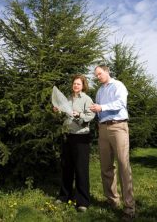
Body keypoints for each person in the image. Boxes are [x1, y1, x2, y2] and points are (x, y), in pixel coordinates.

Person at [90, 65, 135, 221]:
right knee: (106, 167)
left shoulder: (118, 85)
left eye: (100, 74)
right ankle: (112, 201)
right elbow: (97, 110)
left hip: (118, 127)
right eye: (96, 75)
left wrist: (101, 107)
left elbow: (121, 104)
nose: (98, 77)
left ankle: (129, 208)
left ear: (107, 71)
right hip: (103, 129)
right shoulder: (100, 91)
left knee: (123, 165)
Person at [53, 74, 95, 212]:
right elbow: (65, 115)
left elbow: (90, 116)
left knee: (81, 169)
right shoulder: (68, 98)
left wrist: (79, 115)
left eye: (78, 84)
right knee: (66, 167)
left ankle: (82, 202)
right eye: (74, 83)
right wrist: (58, 111)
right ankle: (64, 196)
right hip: (67, 136)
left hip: (81, 137)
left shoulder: (87, 99)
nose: (76, 85)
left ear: (83, 86)